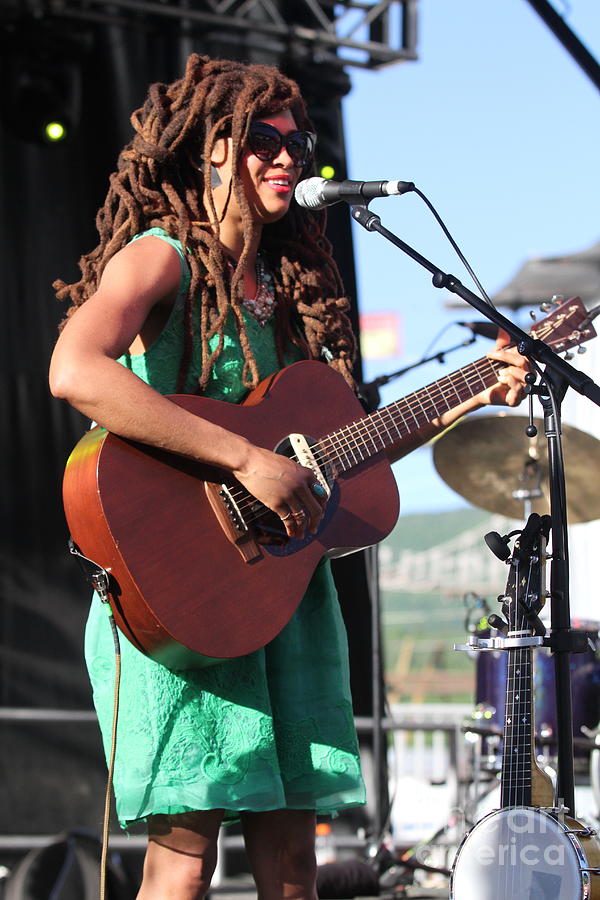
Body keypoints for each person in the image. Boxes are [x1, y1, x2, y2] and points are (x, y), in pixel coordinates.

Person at [49, 53, 529, 900]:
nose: (286, 157)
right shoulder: (160, 257)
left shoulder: (295, 288)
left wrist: (472, 394)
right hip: (183, 580)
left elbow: (349, 457)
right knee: (184, 859)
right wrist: (243, 458)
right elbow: (74, 371)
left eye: (298, 142)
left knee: (294, 863)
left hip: (280, 591)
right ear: (210, 150)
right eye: (260, 140)